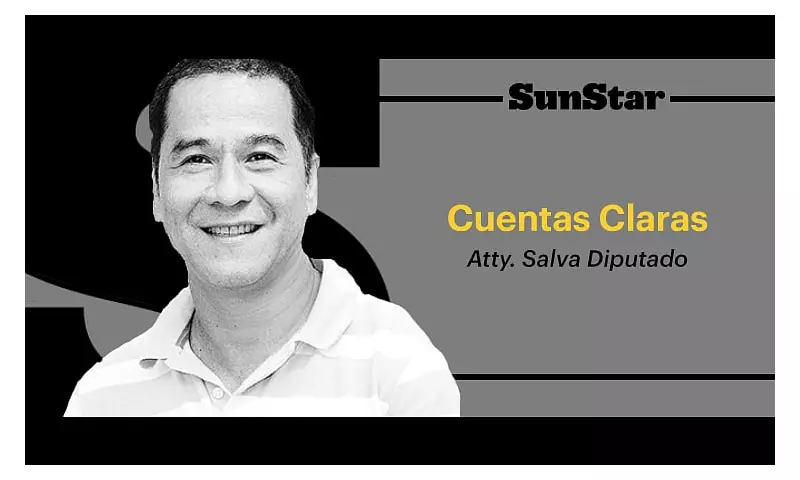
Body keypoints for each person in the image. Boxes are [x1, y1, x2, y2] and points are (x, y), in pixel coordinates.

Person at [63, 58, 460, 416]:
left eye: (260, 157)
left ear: (310, 182)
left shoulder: (399, 369)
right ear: (156, 190)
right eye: (196, 159)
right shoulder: (102, 398)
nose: (228, 192)